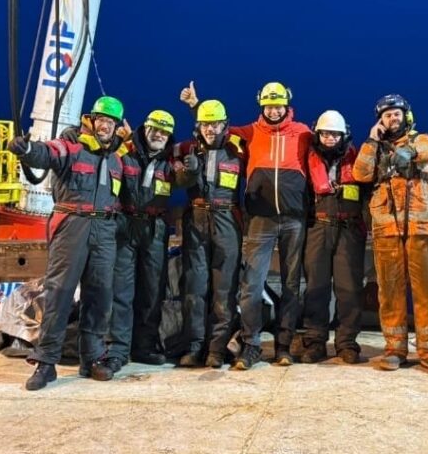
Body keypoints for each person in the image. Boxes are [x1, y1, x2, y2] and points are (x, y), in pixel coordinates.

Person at [180, 81, 311, 370]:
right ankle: (251, 345)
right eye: (268, 106)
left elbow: (325, 152)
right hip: (260, 220)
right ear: (261, 105)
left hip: (294, 220)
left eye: (278, 105)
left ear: (287, 105)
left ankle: (284, 345)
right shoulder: (249, 133)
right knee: (251, 285)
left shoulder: (303, 133)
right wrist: (195, 107)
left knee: (291, 285)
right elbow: (214, 131)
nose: (273, 111)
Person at [7, 95, 126, 390]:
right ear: (91, 120)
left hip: (104, 229)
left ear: (116, 127)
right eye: (101, 119)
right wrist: (27, 150)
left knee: (100, 294)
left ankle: (92, 359)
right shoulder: (71, 146)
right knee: (59, 293)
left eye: (110, 122)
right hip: (72, 224)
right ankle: (46, 363)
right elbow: (46, 154)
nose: (105, 126)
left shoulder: (116, 158)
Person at [352, 94, 428, 375]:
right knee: (390, 292)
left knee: (427, 292)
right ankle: (394, 349)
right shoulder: (375, 148)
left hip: (421, 228)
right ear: (380, 121)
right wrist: (372, 141)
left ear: (406, 116)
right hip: (387, 229)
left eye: (396, 114)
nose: (392, 118)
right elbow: (360, 173)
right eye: (387, 115)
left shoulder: (422, 139)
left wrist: (409, 152)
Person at [173, 99, 245, 368]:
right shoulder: (186, 149)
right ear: (198, 126)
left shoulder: (238, 149)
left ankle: (217, 349)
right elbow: (152, 150)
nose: (210, 129)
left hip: (227, 219)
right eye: (205, 124)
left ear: (224, 125)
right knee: (194, 286)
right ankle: (194, 347)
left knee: (224, 288)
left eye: (215, 124)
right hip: (196, 219)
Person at [104, 109, 177, 370]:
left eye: (164, 132)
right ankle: (118, 349)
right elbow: (103, 156)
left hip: (155, 229)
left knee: (152, 290)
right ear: (144, 129)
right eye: (154, 129)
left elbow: (187, 176)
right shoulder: (126, 152)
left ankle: (144, 347)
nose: (158, 135)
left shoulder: (171, 160)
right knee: (121, 290)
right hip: (125, 226)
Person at [301, 110, 367, 364]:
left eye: (335, 134)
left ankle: (347, 343)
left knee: (349, 289)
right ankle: (315, 341)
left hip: (349, 229)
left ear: (344, 136)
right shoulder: (306, 159)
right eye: (326, 133)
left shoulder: (358, 159)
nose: (330, 138)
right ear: (318, 134)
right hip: (317, 227)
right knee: (316, 288)